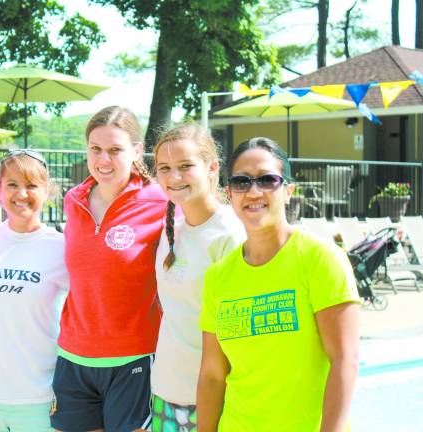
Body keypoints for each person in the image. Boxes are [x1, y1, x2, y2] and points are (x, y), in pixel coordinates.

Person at [197, 137, 360, 432]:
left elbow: (344, 360)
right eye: (241, 181)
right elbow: (212, 375)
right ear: (229, 193)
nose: (254, 191)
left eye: (267, 180)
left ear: (288, 191)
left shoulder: (321, 259)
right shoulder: (218, 276)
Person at [51, 106, 168, 432]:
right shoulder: (73, 200)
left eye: (115, 150)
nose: (104, 159)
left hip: (133, 358)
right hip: (74, 356)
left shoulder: (160, 202)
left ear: (136, 151)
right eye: (96, 149)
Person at [0, 149, 68, 432]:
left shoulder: (61, 248)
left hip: (39, 397)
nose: (22, 194)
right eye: (12, 184)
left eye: (32, 185)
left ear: (47, 192)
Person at [151, 123, 245, 432]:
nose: (174, 177)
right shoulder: (171, 233)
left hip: (213, 396)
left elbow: (237, 332)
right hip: (166, 389)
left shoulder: (231, 235)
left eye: (185, 166)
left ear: (212, 167)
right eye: (164, 168)